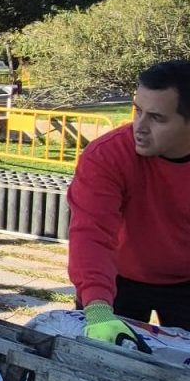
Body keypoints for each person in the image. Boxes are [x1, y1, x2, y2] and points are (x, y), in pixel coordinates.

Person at [68, 59, 190, 351]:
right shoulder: (106, 155)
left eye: (157, 118)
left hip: (186, 281)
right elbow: (91, 234)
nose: (140, 127)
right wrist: (98, 310)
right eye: (138, 111)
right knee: (100, 361)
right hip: (116, 280)